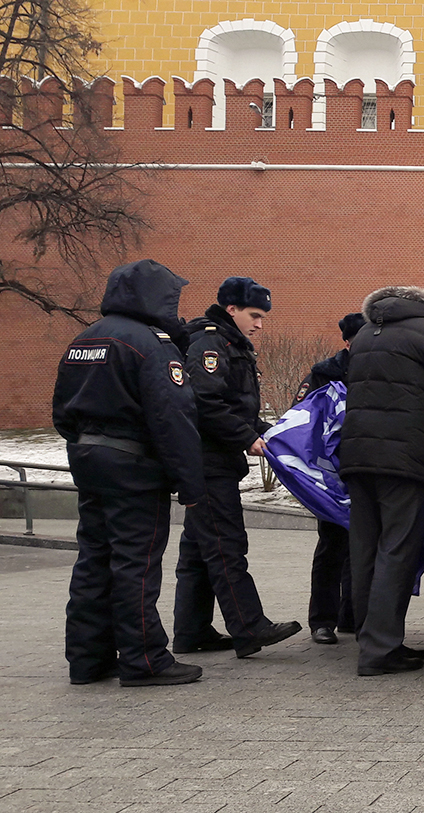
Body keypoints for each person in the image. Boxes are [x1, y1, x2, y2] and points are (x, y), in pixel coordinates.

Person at [53, 259, 207, 687]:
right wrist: (190, 485)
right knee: (135, 564)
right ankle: (145, 660)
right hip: (134, 468)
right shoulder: (152, 343)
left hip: (88, 459)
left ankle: (87, 659)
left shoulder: (84, 339)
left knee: (93, 560)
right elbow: (173, 417)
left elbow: (62, 411)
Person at [341, 286, 424, 676]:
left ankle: (372, 639)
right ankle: (381, 650)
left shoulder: (367, 333)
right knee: (397, 550)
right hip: (402, 458)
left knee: (365, 550)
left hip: (357, 456)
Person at [173, 276, 302, 658]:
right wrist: (247, 437)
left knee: (199, 549)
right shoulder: (211, 342)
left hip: (211, 458)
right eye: (254, 315)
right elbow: (205, 401)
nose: (260, 324)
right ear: (232, 309)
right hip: (208, 462)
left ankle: (191, 631)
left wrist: (271, 431)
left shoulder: (226, 341)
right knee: (226, 545)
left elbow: (233, 406)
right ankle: (249, 627)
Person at [296, 312, 365, 645]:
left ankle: (350, 616)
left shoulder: (379, 369)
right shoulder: (325, 373)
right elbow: (304, 419)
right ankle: (322, 620)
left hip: (364, 468)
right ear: (349, 342)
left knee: (360, 546)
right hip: (332, 473)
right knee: (332, 546)